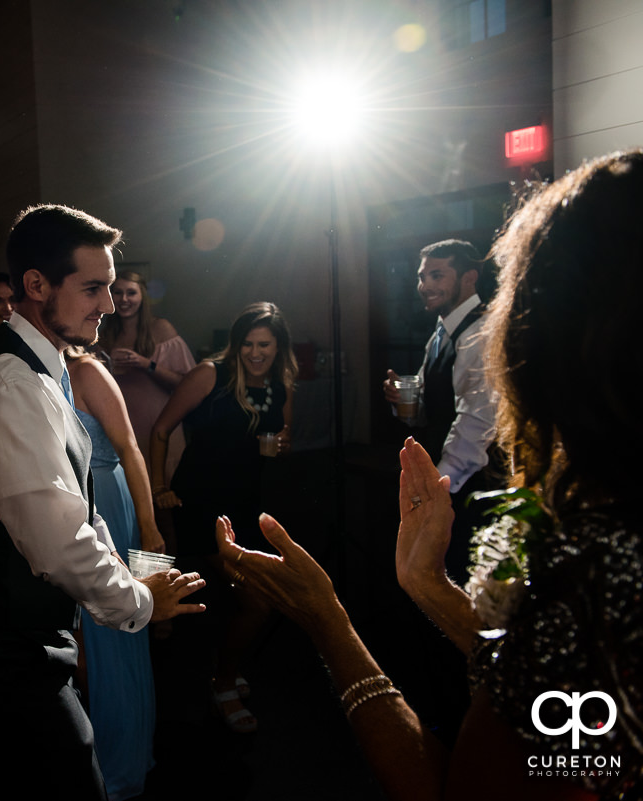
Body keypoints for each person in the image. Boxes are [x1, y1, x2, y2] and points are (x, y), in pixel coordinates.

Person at [219, 149, 643, 800]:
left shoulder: (588, 561)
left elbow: (461, 788)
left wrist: (327, 618)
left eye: (518, 301)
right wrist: (431, 587)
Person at [0, 204, 207, 800]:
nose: (108, 304)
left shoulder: (42, 370)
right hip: (1, 648)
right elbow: (59, 543)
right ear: (35, 285)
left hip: (15, 638)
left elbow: (76, 508)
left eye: (109, 287)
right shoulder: (12, 384)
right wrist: (140, 604)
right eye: (92, 288)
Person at [150, 301, 295, 734]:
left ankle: (223, 667)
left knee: (242, 600)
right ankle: (223, 681)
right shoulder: (211, 375)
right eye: (247, 343)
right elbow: (160, 429)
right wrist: (159, 487)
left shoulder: (282, 385)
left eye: (264, 345)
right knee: (256, 602)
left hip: (247, 503)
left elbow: (284, 436)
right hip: (203, 506)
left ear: (277, 346)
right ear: (236, 344)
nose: (255, 353)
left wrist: (283, 445)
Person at [66, 348, 164, 800]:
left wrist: (149, 530)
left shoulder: (87, 370)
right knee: (82, 640)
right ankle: (95, 756)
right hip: (67, 511)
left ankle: (120, 766)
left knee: (113, 636)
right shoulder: (28, 372)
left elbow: (129, 447)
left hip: (105, 499)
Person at [381, 241, 497, 537]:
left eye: (437, 275)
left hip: (467, 484)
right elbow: (424, 411)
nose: (424, 285)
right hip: (445, 478)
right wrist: (403, 401)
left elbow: (477, 422)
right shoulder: (439, 334)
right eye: (422, 277)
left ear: (469, 278)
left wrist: (438, 486)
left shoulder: (479, 333)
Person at [97, 270, 196, 485]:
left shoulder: (161, 329)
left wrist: (146, 364)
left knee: (165, 493)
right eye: (117, 292)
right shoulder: (104, 335)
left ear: (142, 296)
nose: (124, 300)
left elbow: (188, 386)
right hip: (123, 428)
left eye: (131, 293)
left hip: (158, 426)